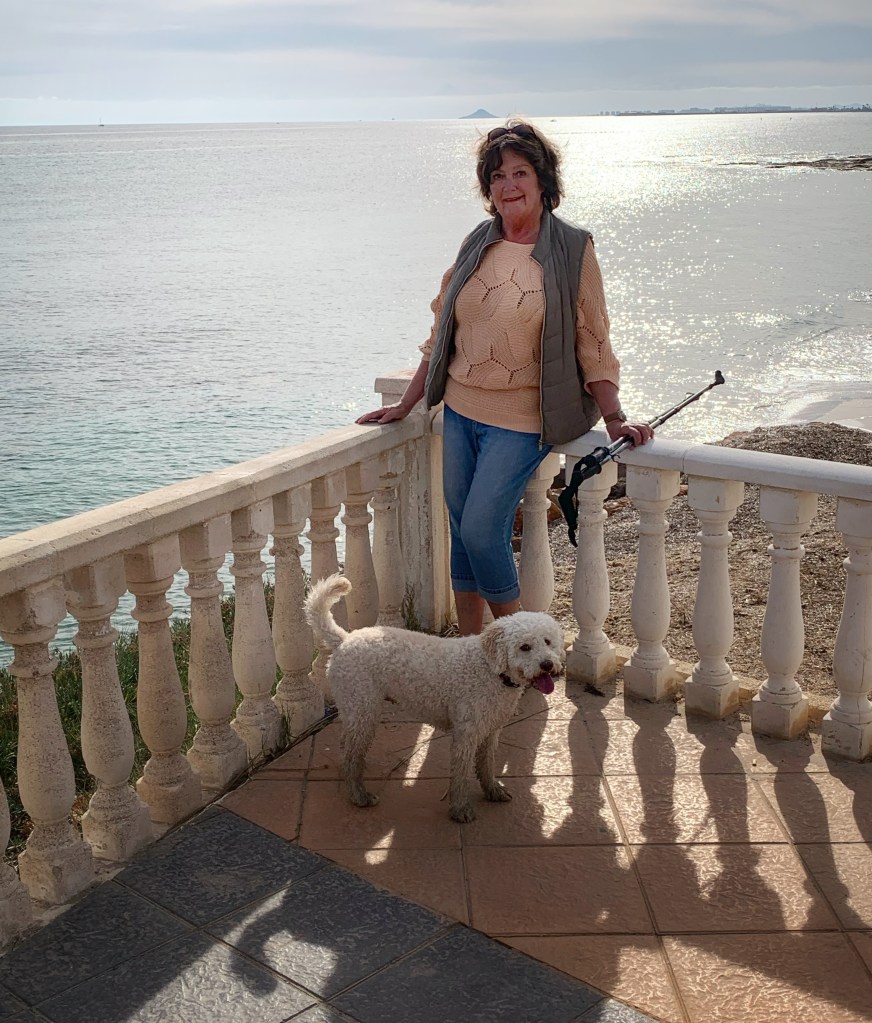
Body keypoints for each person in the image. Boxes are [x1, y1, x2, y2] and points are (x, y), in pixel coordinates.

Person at [357, 120, 653, 636]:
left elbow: (593, 341)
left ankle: (523, 651)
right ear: (487, 187)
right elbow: (441, 330)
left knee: (480, 529)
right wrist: (408, 404)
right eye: (497, 176)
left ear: (542, 180)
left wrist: (615, 417)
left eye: (520, 173)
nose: (508, 185)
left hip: (521, 420)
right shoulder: (479, 241)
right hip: (460, 410)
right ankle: (472, 649)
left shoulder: (573, 249)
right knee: (461, 530)